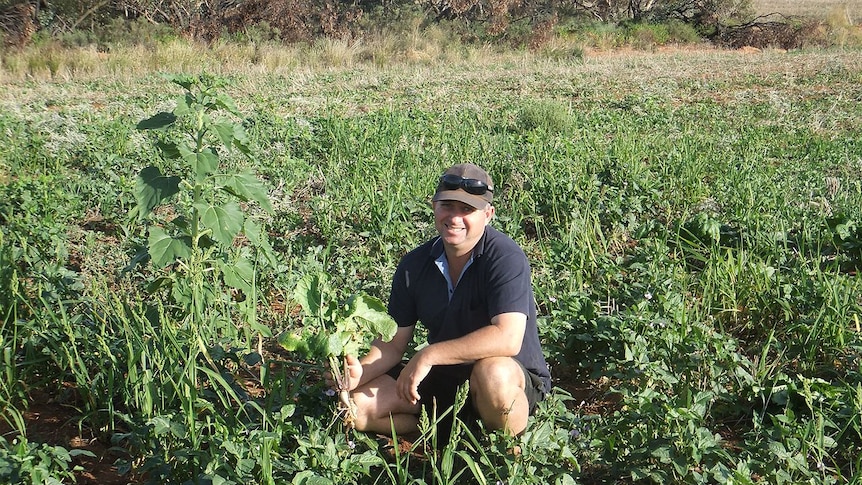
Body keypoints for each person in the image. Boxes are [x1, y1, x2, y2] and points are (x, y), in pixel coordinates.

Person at [341, 163, 551, 439]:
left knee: (494, 374)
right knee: (358, 408)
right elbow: (392, 345)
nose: (454, 217)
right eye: (447, 206)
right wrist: (360, 373)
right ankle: (450, 435)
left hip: (508, 379)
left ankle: (508, 456)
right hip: (445, 378)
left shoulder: (504, 258)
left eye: (467, 210)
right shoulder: (414, 265)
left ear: (488, 214)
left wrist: (429, 355)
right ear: (434, 207)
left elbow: (507, 339)